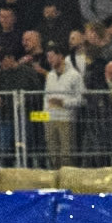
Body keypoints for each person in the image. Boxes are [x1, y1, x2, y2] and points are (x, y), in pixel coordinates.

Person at [43, 41, 84, 169]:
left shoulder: (74, 76)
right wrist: (44, 117)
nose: (49, 60)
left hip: (66, 118)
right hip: (50, 119)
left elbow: (81, 99)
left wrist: (64, 103)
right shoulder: (50, 75)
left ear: (60, 56)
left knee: (67, 153)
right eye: (48, 57)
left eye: (51, 56)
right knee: (53, 152)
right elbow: (46, 97)